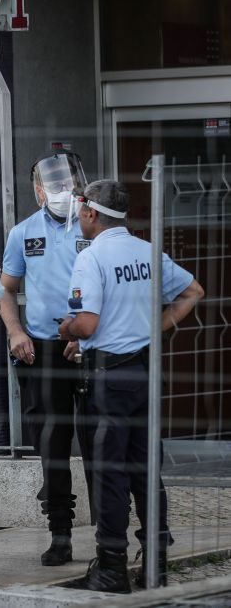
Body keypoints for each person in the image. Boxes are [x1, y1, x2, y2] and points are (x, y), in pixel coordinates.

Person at [58, 180, 204, 593]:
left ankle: (111, 568)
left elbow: (87, 323)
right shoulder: (146, 252)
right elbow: (194, 291)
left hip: (109, 379)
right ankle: (156, 561)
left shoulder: (92, 258)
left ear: (89, 213)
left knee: (109, 473)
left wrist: (68, 329)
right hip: (143, 373)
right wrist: (149, 332)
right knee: (145, 470)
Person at [0, 151, 93, 567]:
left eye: (67, 182)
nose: (61, 191)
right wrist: (16, 331)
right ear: (37, 191)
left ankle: (114, 535)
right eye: (53, 185)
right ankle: (60, 534)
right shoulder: (22, 233)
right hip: (45, 348)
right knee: (52, 445)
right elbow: (6, 290)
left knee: (100, 442)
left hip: (89, 345)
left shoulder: (94, 225)